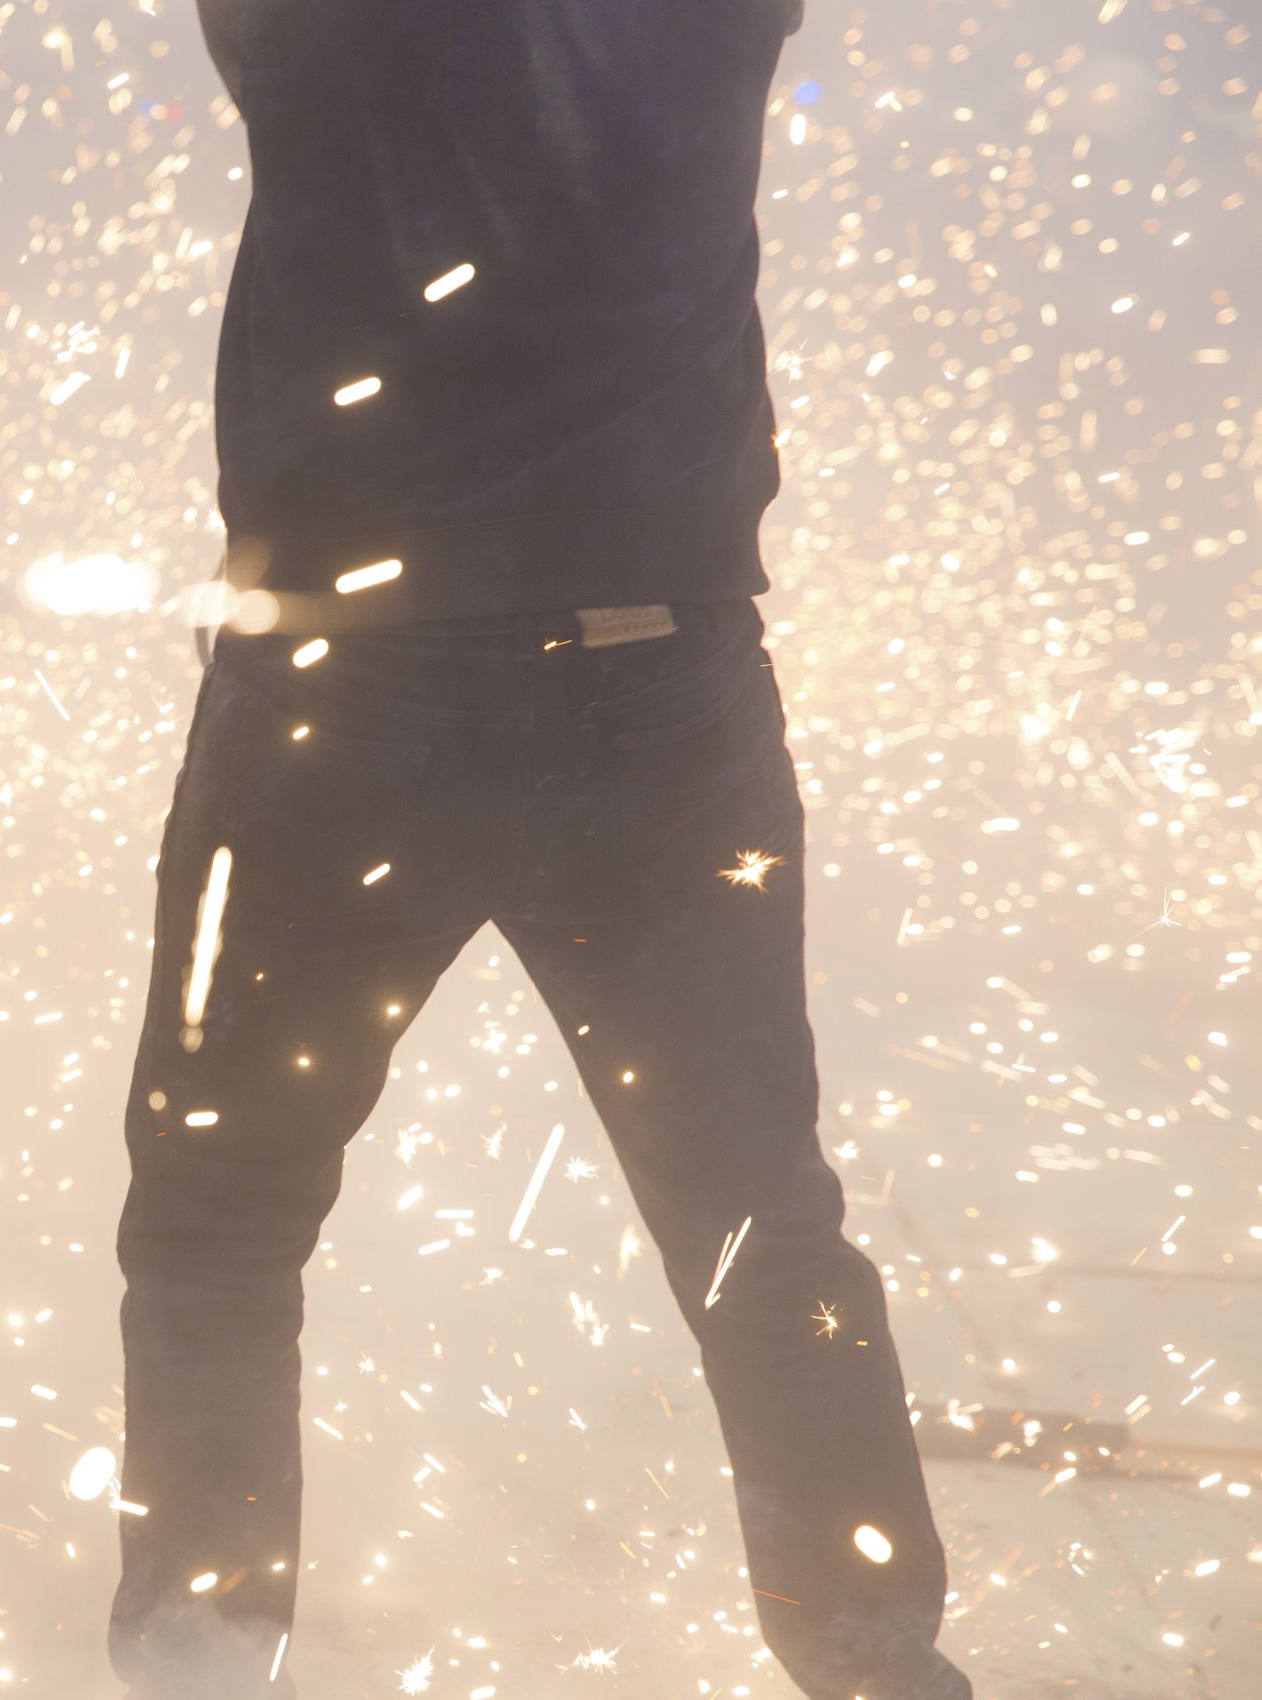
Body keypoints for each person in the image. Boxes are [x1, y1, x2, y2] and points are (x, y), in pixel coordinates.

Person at [108, 3, 974, 1697]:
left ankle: (195, 1673)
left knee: (217, 1225)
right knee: (758, 1227)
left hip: (339, 695)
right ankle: (879, 1674)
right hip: (656, 688)